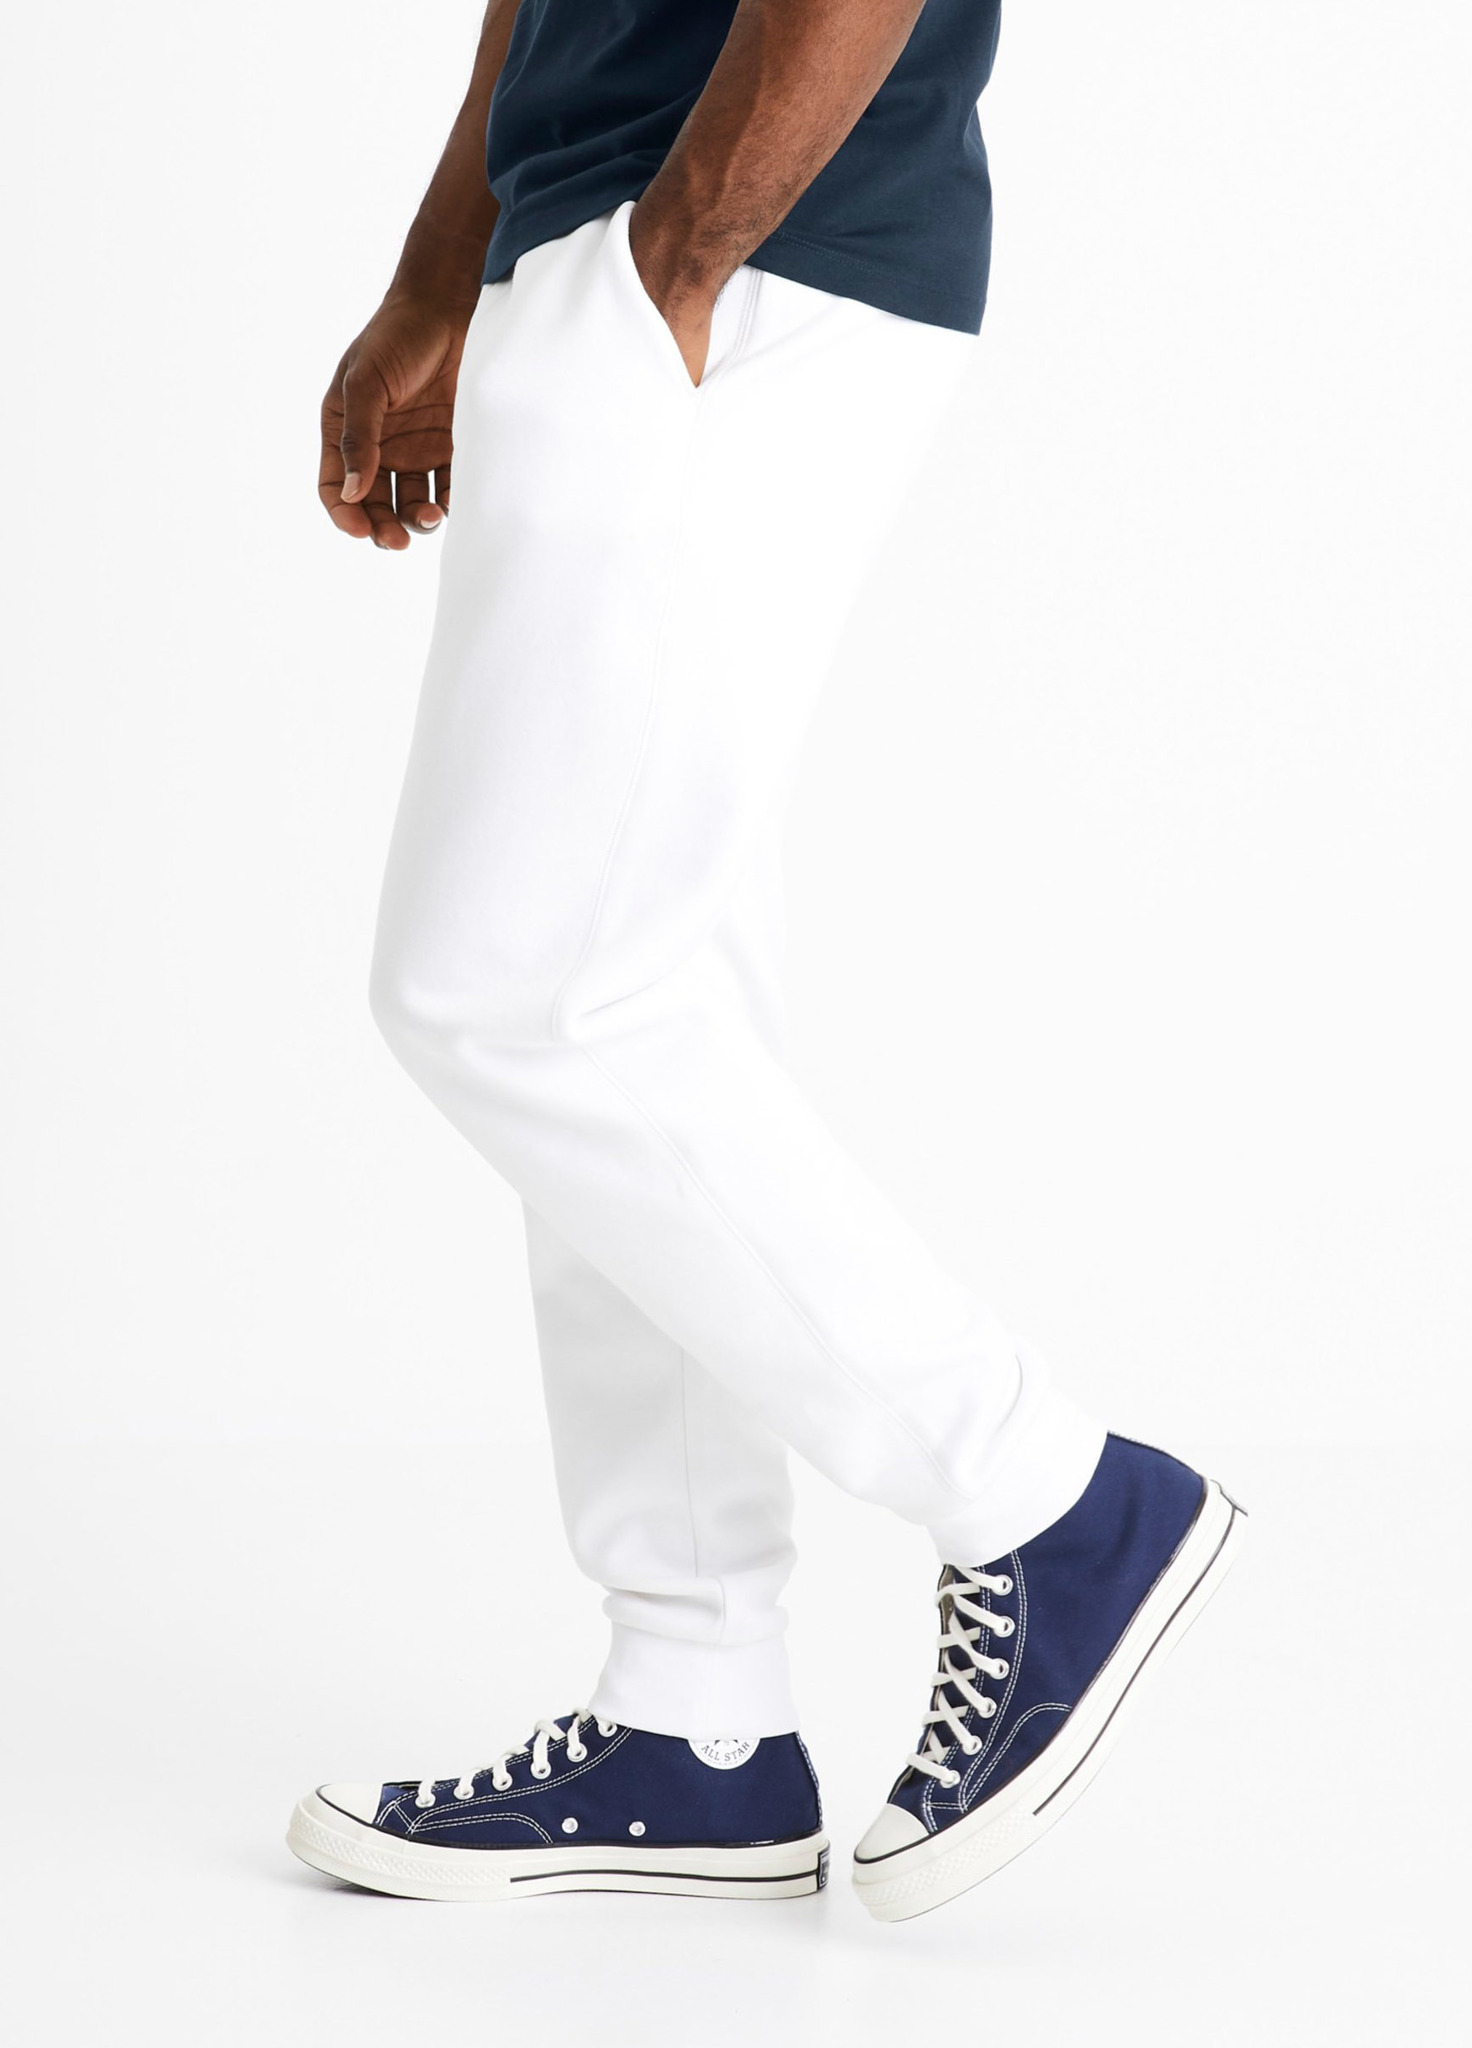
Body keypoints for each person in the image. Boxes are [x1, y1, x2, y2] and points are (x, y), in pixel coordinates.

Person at [285, 0, 1244, 1923]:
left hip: (738, 250)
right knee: (633, 985)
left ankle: (1052, 1497)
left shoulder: (690, 269)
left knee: (521, 992)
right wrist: (450, 269)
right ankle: (695, 1711)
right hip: (629, 240)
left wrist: (675, 259)